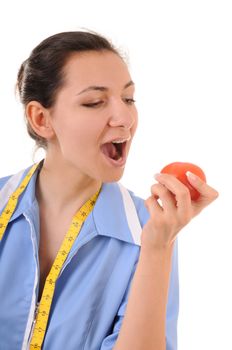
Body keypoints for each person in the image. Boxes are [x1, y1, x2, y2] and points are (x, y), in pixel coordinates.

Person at [0, 31, 218, 350]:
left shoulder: (151, 228)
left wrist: (157, 248)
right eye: (95, 102)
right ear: (41, 118)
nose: (125, 118)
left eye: (128, 99)